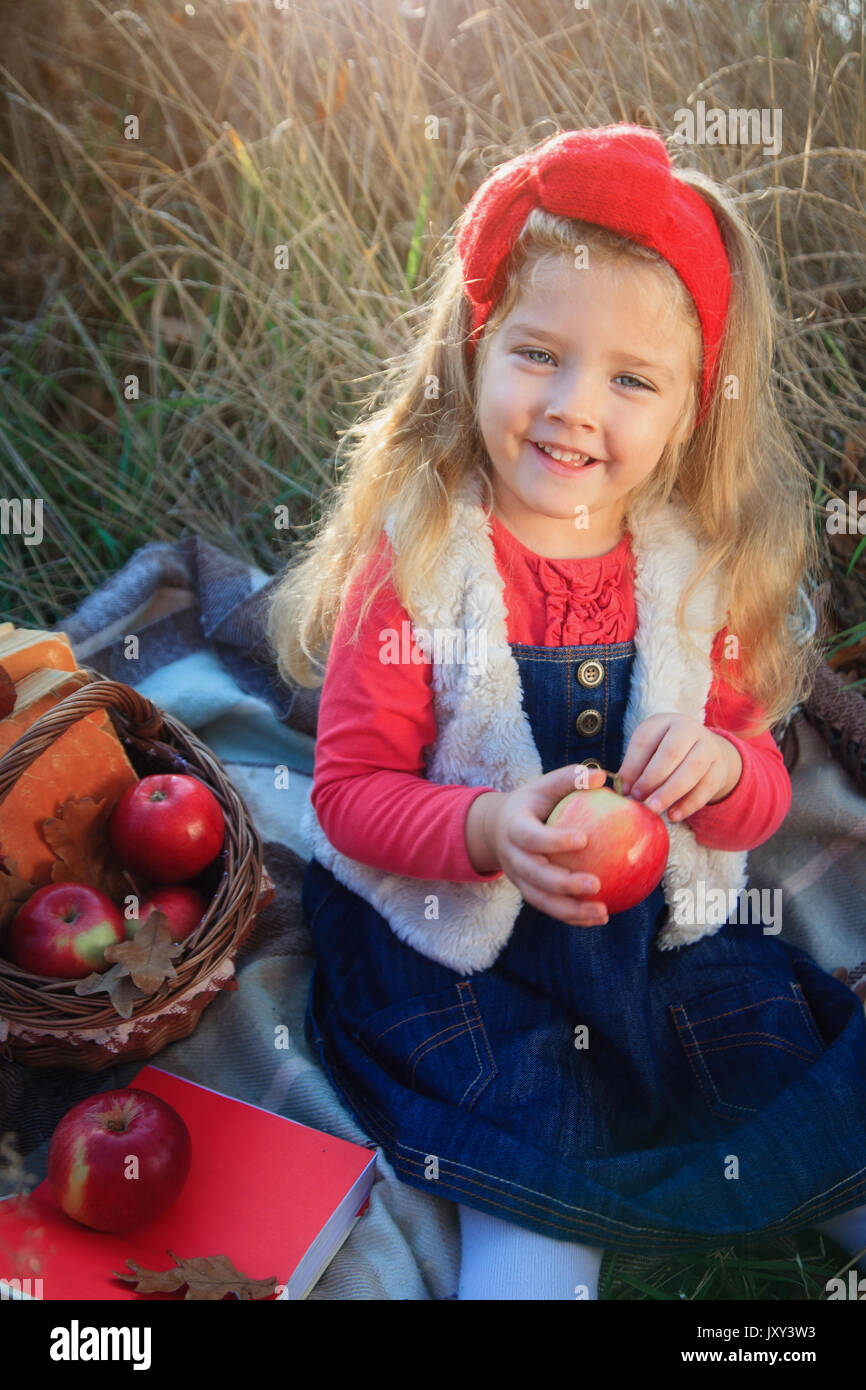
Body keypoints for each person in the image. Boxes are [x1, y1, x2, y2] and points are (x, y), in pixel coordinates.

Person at [265, 124, 866, 1300]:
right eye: (538, 353)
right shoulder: (423, 561)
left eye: (630, 378)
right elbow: (347, 796)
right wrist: (487, 830)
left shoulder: (694, 570)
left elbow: (759, 775)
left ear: (691, 408)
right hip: (469, 954)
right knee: (528, 1157)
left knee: (778, 1079)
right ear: (474, 347)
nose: (572, 408)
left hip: (655, 947)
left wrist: (719, 769)